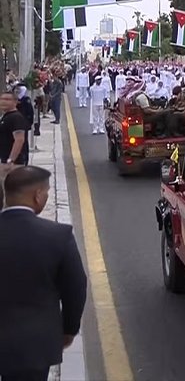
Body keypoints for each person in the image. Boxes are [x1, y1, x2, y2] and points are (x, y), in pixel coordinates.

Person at [0, 166, 88, 381]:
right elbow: (75, 288)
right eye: (46, 192)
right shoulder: (58, 236)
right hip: (32, 346)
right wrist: (69, 329)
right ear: (37, 195)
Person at [0, 92, 30, 166]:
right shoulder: (6, 117)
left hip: (15, 163)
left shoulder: (16, 117)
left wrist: (11, 160)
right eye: (1, 99)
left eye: (7, 99)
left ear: (15, 102)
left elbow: (19, 140)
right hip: (5, 160)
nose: (3, 101)